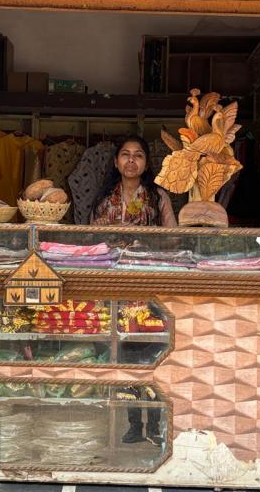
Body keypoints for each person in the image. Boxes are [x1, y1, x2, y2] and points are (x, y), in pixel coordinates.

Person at [90, 136, 174, 446]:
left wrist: (145, 242)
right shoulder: (104, 199)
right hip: (114, 287)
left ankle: (155, 424)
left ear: (146, 163)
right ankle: (133, 424)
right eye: (125, 155)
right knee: (123, 354)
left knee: (153, 354)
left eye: (138, 155)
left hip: (149, 286)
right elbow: (91, 241)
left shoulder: (157, 197)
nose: (131, 160)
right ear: (116, 162)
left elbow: (173, 237)